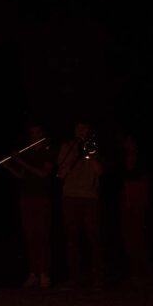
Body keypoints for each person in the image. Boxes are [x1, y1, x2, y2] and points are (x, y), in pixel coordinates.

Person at [3, 123, 55, 288]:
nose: (34, 136)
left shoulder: (48, 150)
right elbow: (21, 176)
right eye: (32, 133)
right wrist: (9, 166)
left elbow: (43, 173)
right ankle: (33, 273)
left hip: (42, 198)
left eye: (37, 133)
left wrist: (19, 160)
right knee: (30, 237)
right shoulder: (29, 152)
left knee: (43, 236)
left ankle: (44, 274)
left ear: (42, 133)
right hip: (26, 198)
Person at [57, 120, 104, 287]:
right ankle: (75, 276)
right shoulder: (67, 146)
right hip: (70, 196)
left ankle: (97, 276)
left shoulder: (95, 146)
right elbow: (61, 172)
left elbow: (100, 171)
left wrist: (89, 155)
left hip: (90, 197)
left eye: (83, 128)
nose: (80, 130)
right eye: (77, 127)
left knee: (93, 237)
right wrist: (73, 154)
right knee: (72, 238)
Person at [119, 134, 153, 283]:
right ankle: (134, 270)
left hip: (137, 201)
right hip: (126, 202)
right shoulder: (122, 160)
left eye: (128, 141)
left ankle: (146, 270)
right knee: (129, 236)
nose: (126, 144)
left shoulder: (142, 160)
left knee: (139, 235)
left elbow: (142, 179)